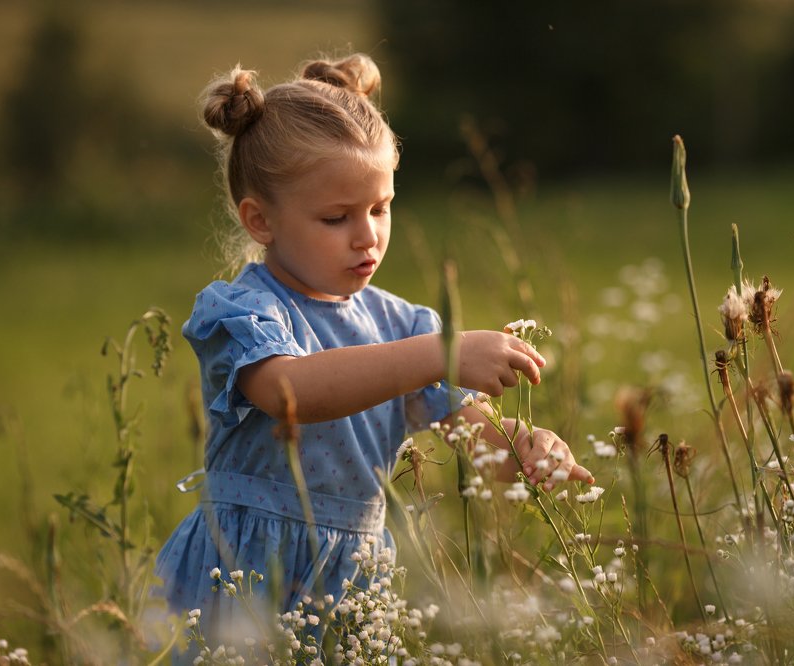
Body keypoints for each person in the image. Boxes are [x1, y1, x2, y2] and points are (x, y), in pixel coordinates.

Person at [155, 53, 594, 655]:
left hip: (350, 580)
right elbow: (293, 394)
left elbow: (470, 432)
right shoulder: (244, 313)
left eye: (380, 208)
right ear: (260, 220)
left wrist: (521, 443)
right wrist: (442, 353)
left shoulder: (401, 324)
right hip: (244, 572)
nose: (368, 236)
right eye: (336, 217)